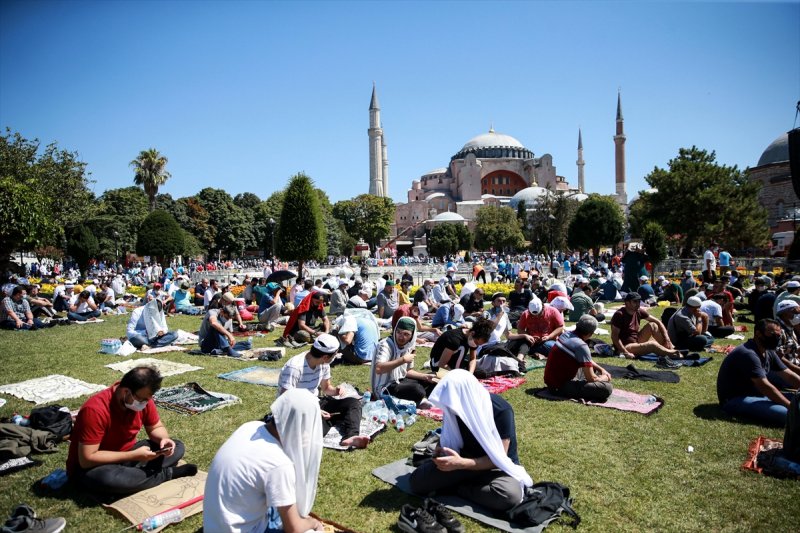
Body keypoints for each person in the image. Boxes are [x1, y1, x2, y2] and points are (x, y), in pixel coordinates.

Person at [409, 370, 533, 512]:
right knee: (417, 482)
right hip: (462, 460)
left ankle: (459, 488)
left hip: (495, 467)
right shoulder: (454, 409)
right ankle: (468, 485)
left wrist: (461, 464)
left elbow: (499, 457)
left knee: (509, 496)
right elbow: (449, 435)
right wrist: (441, 449)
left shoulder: (500, 410)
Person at [203, 389, 324, 533]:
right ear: (299, 428)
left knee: (280, 504)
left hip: (213, 525)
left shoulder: (251, 426)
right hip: (240, 529)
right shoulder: (279, 464)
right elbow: (294, 529)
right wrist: (313, 523)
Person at [66, 366, 197, 495]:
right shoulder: (95, 410)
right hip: (94, 467)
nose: (145, 403)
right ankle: (166, 474)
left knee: (177, 446)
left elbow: (156, 427)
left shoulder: (143, 398)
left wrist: (164, 440)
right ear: (126, 392)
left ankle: (138, 473)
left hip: (128, 455)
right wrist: (134, 455)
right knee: (106, 479)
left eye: (148, 399)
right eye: (142, 400)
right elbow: (87, 459)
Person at [278, 334, 369, 449]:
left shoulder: (324, 363)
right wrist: (315, 410)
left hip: (315, 402)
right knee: (311, 431)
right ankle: (329, 421)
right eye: (335, 354)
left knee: (353, 403)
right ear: (325, 356)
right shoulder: (294, 367)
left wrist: (336, 390)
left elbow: (326, 388)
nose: (336, 356)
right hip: (296, 409)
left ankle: (351, 436)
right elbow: (286, 399)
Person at [716, 319, 800, 426]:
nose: (777, 338)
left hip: (758, 395)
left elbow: (789, 375)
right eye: (773, 334)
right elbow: (764, 386)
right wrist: (789, 406)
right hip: (735, 399)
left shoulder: (769, 351)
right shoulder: (748, 353)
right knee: (787, 414)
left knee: (796, 400)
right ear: (758, 334)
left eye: (779, 335)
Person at [544, 315, 613, 402]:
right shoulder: (581, 346)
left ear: (577, 325)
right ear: (590, 334)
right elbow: (591, 379)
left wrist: (601, 369)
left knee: (593, 369)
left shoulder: (566, 335)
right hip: (560, 387)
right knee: (607, 388)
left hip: (552, 382)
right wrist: (604, 378)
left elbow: (585, 359)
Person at [371, 316, 436, 407]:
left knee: (431, 379)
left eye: (406, 334)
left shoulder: (409, 346)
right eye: (398, 332)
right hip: (384, 388)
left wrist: (424, 376)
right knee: (417, 389)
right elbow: (379, 368)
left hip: (400, 381)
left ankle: (421, 399)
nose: (401, 337)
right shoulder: (385, 345)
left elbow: (407, 371)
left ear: (412, 335)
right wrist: (403, 360)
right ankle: (422, 399)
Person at [610, 293, 683, 359]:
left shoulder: (638, 311)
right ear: (627, 303)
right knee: (652, 344)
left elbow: (658, 322)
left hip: (636, 341)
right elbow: (614, 337)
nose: (638, 304)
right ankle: (672, 353)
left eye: (639, 301)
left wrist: (667, 340)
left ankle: (668, 348)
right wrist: (625, 352)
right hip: (625, 346)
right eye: (635, 302)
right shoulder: (619, 315)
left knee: (653, 325)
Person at [429, 318, 493, 373]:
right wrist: (457, 376)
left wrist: (470, 374)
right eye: (476, 342)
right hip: (438, 366)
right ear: (472, 333)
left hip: (450, 364)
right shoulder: (455, 340)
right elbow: (442, 364)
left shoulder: (472, 338)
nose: (476, 345)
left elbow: (473, 359)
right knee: (462, 348)